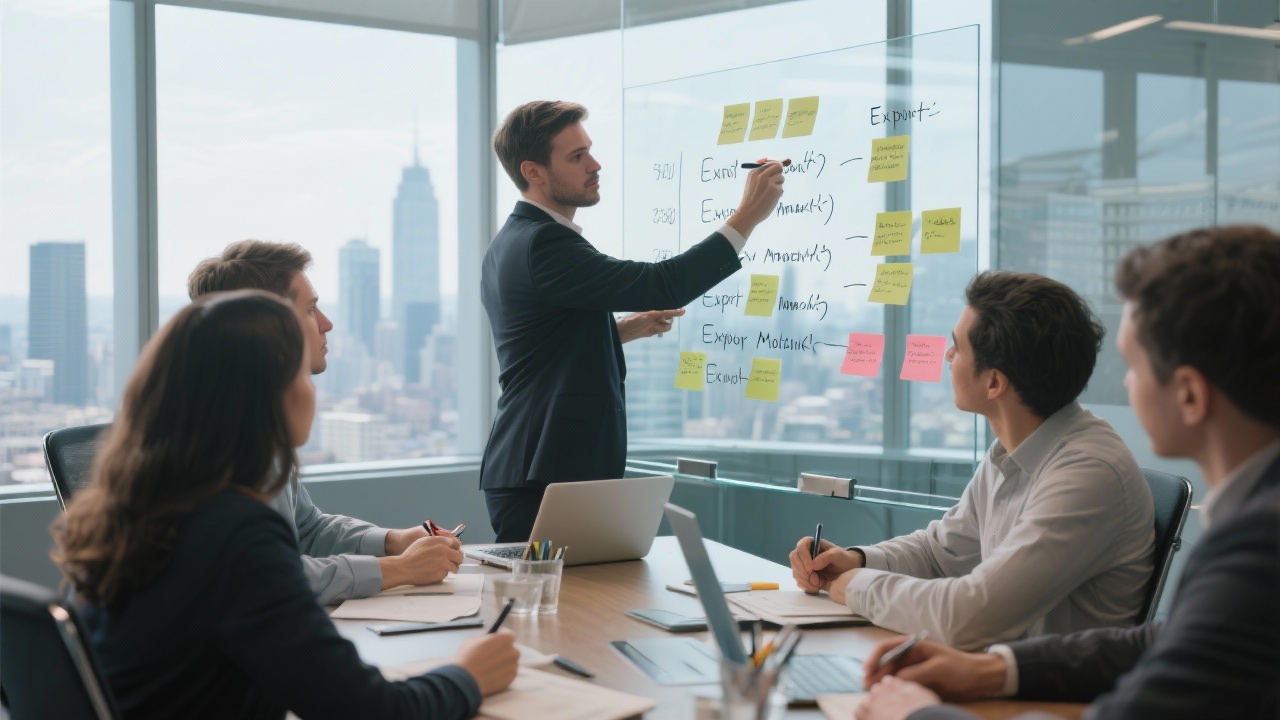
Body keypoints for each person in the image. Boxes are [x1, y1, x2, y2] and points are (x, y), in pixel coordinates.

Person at [855, 225, 1280, 720]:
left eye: (1133, 366)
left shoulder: (1259, 546)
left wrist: (918, 716)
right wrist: (994, 670)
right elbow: (1163, 640)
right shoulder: (1255, 520)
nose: (1125, 383)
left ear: (1189, 394)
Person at [51, 291, 519, 720]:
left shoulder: (138, 510)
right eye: (299, 372)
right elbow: (369, 711)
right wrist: (467, 676)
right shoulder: (233, 532)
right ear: (267, 397)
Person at [789, 271, 1154, 649]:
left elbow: (967, 616)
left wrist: (855, 587)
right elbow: (940, 554)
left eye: (957, 348)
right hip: (996, 681)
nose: (948, 356)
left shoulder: (1089, 474)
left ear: (994, 383)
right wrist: (857, 561)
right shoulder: (1010, 452)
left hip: (1052, 703)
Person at [482, 100, 786, 541]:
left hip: (537, 468)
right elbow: (664, 283)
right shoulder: (544, 244)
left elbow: (539, 344)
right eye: (576, 156)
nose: (595, 164)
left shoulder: (513, 240)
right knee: (557, 604)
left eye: (589, 149)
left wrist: (617, 330)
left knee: (570, 604)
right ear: (533, 172)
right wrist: (747, 216)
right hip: (542, 474)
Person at [189, 240, 459, 604]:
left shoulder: (253, 423)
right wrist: (401, 569)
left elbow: (307, 530)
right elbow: (265, 576)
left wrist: (394, 542)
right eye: (311, 309)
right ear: (270, 327)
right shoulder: (217, 442)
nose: (327, 324)